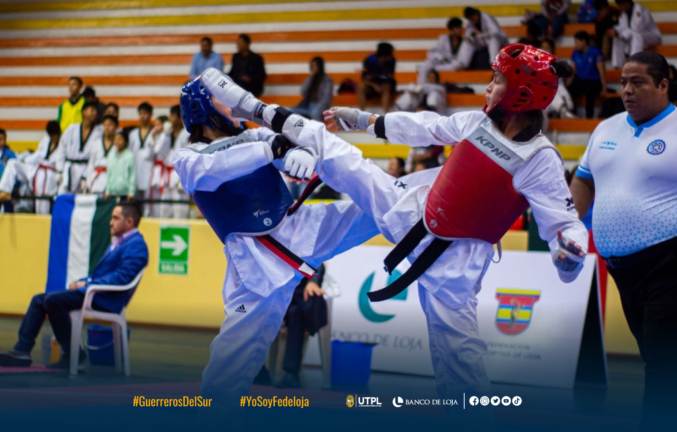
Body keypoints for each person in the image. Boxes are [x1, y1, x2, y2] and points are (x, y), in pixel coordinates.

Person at [200, 43, 587, 424]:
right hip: (410, 215)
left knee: (462, 372)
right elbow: (425, 127)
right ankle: (252, 107)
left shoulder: (540, 159)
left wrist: (568, 251)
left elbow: (563, 222)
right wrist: (365, 120)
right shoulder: (475, 123)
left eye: (497, 80)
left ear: (521, 94)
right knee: (336, 154)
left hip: (455, 265)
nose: (488, 87)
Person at [173, 73, 441, 421]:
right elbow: (212, 169)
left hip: (300, 229)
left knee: (389, 197)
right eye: (224, 98)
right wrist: (271, 150)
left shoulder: (255, 134)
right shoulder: (188, 157)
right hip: (257, 262)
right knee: (231, 366)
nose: (236, 105)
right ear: (204, 107)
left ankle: (454, 186)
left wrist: (297, 154)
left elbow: (287, 147)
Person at [569, 51, 677, 429]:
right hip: (623, 269)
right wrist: (570, 226)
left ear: (663, 86)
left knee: (663, 364)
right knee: (666, 363)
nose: (627, 91)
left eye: (638, 82)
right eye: (623, 82)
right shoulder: (605, 128)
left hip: (676, 264)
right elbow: (584, 179)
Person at [0, 201, 148, 369]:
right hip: (96, 292)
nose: (110, 222)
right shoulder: (119, 242)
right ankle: (22, 350)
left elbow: (122, 277)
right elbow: (102, 275)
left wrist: (88, 284)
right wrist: (85, 282)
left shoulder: (137, 245)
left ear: (129, 222)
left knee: (52, 301)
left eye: (115, 218)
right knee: (39, 299)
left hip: (105, 298)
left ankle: (76, 356)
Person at [0, 121, 63, 215]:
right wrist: (24, 159)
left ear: (59, 133)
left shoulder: (63, 144)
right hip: (35, 170)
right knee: (13, 163)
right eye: (50, 135)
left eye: (54, 135)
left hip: (49, 177)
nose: (52, 138)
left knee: (42, 207)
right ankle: (5, 191)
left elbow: (61, 163)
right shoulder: (46, 140)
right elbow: (37, 155)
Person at [275, 263, 327, 389]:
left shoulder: (303, 253)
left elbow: (316, 265)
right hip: (278, 296)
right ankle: (258, 371)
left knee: (296, 313)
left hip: (300, 299)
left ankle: (291, 374)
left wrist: (313, 281)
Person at [153, 105, 190, 219]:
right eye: (170, 116)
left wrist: (183, 180)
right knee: (163, 210)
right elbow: (158, 151)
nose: (171, 119)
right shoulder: (168, 134)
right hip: (167, 176)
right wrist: (165, 134)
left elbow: (188, 158)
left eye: (173, 116)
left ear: (180, 118)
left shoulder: (187, 134)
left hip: (179, 176)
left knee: (180, 211)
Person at [58, 101, 101, 194]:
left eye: (96, 111)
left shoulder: (98, 132)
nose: (95, 113)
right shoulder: (71, 129)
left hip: (85, 169)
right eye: (92, 110)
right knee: (62, 196)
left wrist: (88, 176)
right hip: (69, 169)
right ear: (84, 112)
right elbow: (61, 149)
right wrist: (59, 170)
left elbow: (95, 157)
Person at [129, 102, 163, 210]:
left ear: (151, 114)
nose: (142, 116)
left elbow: (158, 152)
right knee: (135, 205)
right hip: (136, 171)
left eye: (145, 113)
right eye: (140, 113)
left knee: (149, 205)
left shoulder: (156, 133)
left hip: (150, 172)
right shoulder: (133, 134)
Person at [609, 0, 661, 69]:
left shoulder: (639, 9)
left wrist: (621, 33)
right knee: (617, 38)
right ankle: (617, 65)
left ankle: (633, 64)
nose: (619, 7)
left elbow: (637, 28)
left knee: (637, 35)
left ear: (626, 3)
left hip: (651, 36)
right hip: (634, 38)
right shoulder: (623, 14)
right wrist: (615, 31)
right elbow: (622, 27)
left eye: (620, 5)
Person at [568, 31, 607, 118]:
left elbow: (601, 71)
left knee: (589, 90)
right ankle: (573, 113)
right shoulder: (575, 52)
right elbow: (572, 69)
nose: (575, 45)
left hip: (593, 80)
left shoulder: (595, 52)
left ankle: (589, 117)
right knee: (569, 88)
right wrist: (569, 83)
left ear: (584, 42)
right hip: (581, 80)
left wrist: (604, 88)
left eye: (577, 42)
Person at [358, 42, 396, 114]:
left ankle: (385, 113)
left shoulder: (392, 61)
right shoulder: (370, 60)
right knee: (361, 86)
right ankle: (361, 113)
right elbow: (364, 78)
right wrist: (374, 85)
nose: (391, 56)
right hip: (371, 85)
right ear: (385, 55)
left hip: (384, 85)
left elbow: (391, 77)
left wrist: (381, 85)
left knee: (387, 87)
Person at [541, 39, 575, 119]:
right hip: (543, 89)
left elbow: (569, 72)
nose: (544, 50)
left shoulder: (557, 61)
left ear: (552, 49)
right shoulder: (536, 61)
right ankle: (559, 112)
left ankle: (560, 112)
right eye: (543, 47)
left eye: (547, 47)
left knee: (569, 105)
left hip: (558, 87)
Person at [292, 57, 333, 121]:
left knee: (315, 113)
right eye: (312, 66)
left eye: (315, 66)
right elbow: (303, 91)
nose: (314, 68)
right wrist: (310, 77)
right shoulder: (311, 78)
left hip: (319, 106)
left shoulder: (326, 80)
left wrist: (317, 108)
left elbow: (326, 99)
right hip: (307, 106)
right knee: (291, 111)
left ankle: (317, 130)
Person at [86, 115, 117, 195]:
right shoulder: (96, 143)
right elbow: (91, 164)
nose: (107, 127)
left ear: (116, 127)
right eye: (105, 125)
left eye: (110, 125)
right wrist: (88, 181)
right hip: (97, 179)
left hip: (112, 178)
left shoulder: (118, 145)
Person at [104, 131, 136, 200]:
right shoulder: (111, 155)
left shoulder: (130, 156)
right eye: (115, 139)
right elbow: (109, 174)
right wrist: (107, 190)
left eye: (120, 139)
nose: (117, 142)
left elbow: (132, 175)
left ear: (126, 142)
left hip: (125, 193)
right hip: (112, 192)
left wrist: (131, 192)